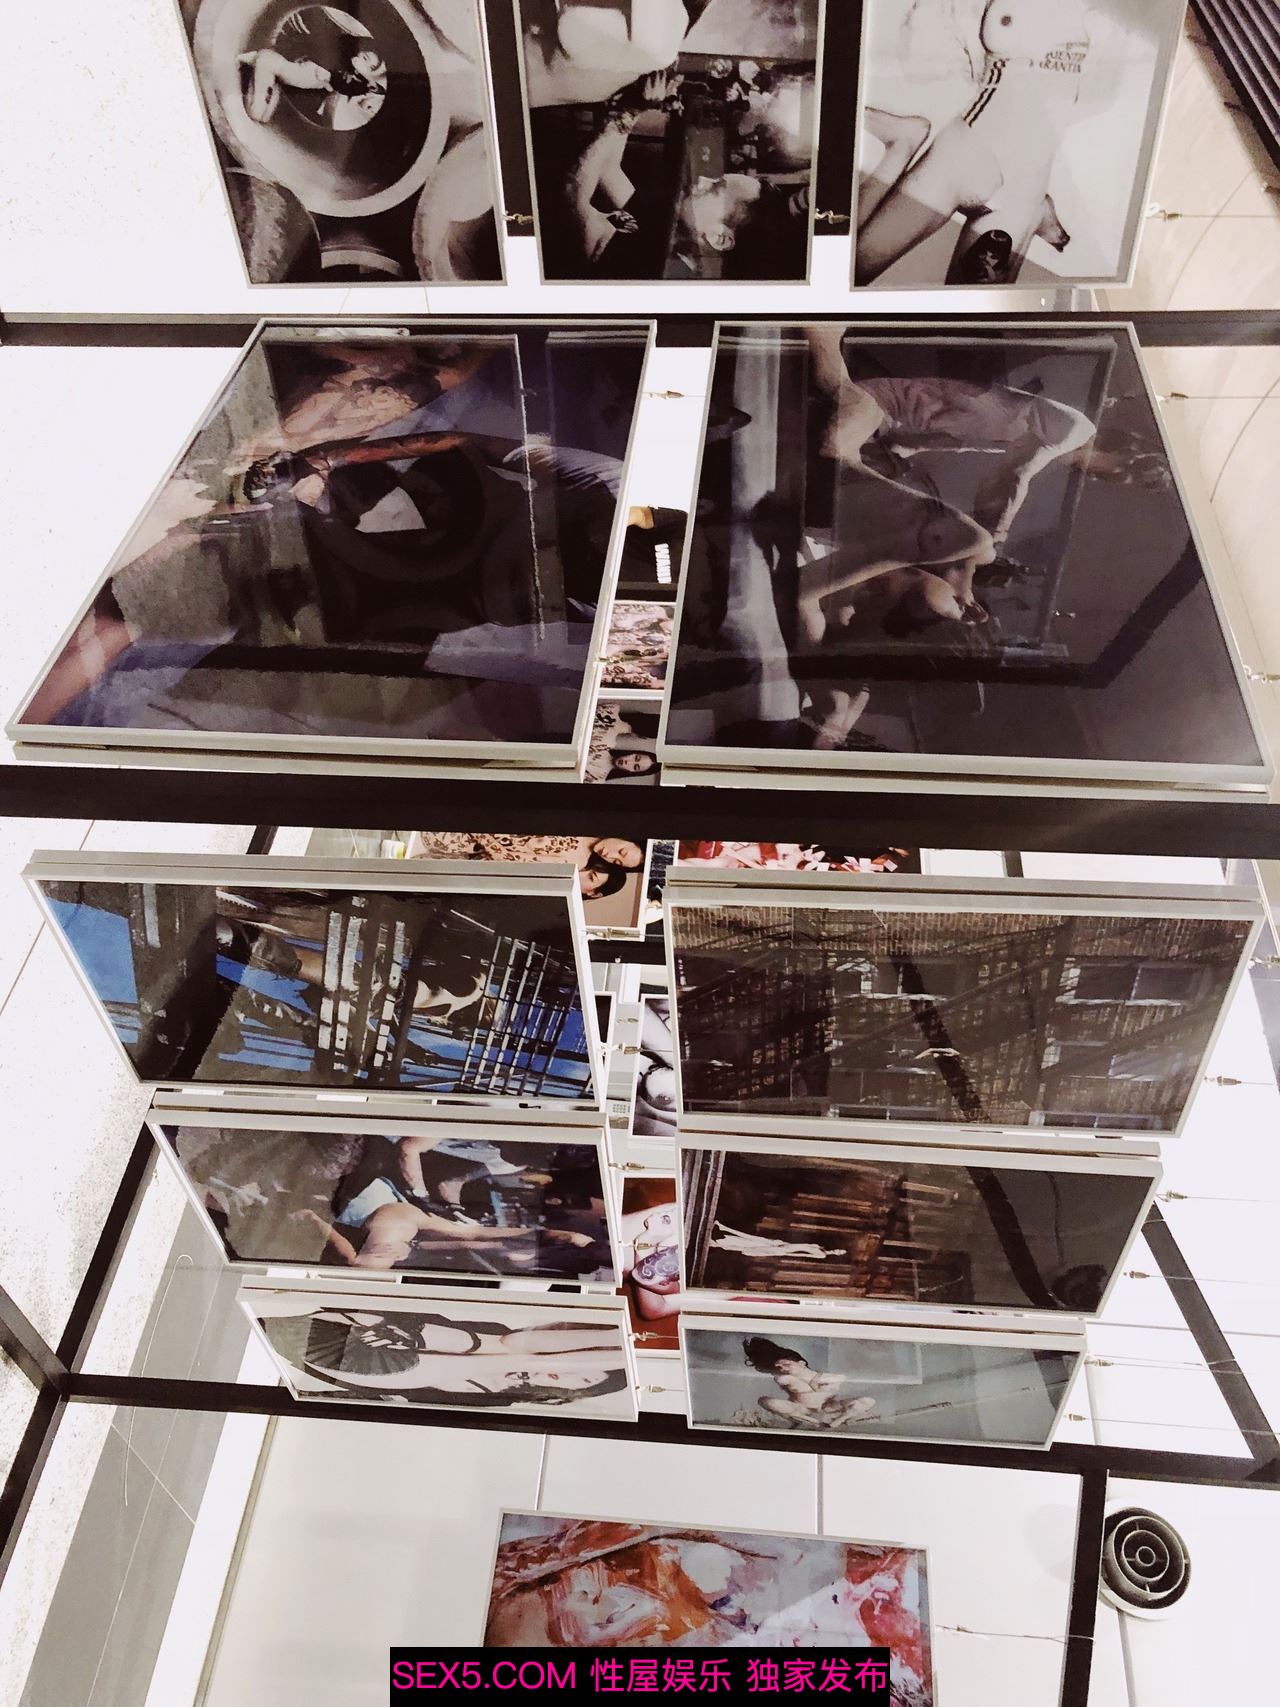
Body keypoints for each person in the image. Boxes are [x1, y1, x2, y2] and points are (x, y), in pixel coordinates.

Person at [855, 0, 1118, 284]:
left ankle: (1036, 211)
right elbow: (919, 65)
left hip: (1024, 186)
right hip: (962, 160)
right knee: (852, 269)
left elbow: (1102, 95)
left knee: (972, 312)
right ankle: (902, 144)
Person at [289, 1309, 629, 1408]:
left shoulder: (499, 1399)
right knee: (502, 1345)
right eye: (578, 1365)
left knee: (507, 1354)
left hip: (349, 1370)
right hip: (340, 1335)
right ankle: (609, 1340)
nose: (567, 1374)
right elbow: (513, 1342)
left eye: (584, 1379)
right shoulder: (502, 1338)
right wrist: (610, 1339)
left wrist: (532, 1363)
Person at [239, 8, 387, 133]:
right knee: (271, 62)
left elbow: (352, 85)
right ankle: (265, 97)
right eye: (364, 56)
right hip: (304, 67)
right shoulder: (345, 55)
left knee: (266, 59)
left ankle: (258, 105)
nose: (361, 61)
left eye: (368, 64)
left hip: (309, 75)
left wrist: (366, 82)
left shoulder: (353, 80)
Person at [407, 833, 644, 905]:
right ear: (624, 837)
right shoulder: (584, 820)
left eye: (617, 862)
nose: (611, 856)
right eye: (621, 852)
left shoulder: (575, 861)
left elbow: (511, 858)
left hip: (459, 843)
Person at [742, 1336, 878, 1429]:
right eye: (780, 1367)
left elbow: (840, 1379)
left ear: (801, 1363)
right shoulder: (786, 1378)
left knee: (868, 1401)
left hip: (829, 1408)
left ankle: (839, 1420)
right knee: (765, 1401)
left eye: (787, 1364)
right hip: (801, 1409)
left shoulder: (826, 1377)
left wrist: (824, 1384)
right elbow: (780, 1378)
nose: (783, 1368)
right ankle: (810, 1421)